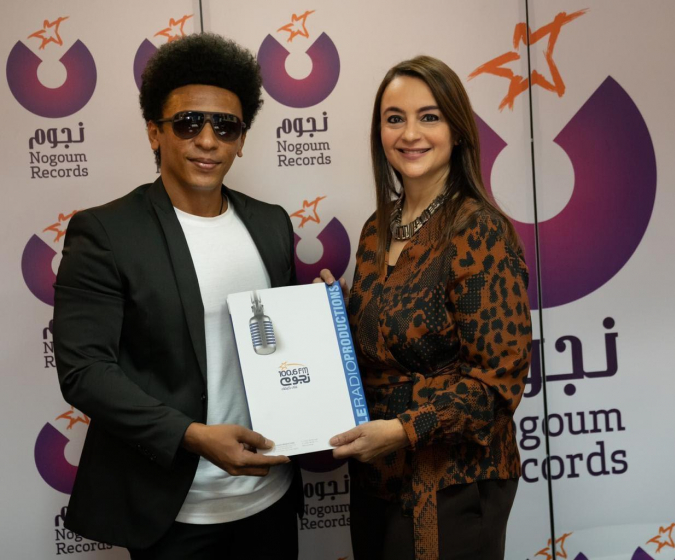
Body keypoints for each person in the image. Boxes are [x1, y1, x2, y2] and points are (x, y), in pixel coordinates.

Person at [54, 34, 300, 560]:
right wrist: (191, 435)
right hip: (174, 514)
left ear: (242, 139)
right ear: (154, 131)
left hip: (270, 498)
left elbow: (279, 346)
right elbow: (84, 370)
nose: (207, 140)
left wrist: (319, 314)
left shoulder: (271, 224)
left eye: (226, 126)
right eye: (188, 123)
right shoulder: (106, 232)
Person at [318, 56, 532, 560]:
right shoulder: (377, 229)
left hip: (455, 481)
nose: (410, 134)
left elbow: (497, 384)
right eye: (395, 118)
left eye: (429, 117)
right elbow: (387, 348)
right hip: (376, 478)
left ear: (457, 131)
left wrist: (403, 431)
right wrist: (335, 317)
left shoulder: (479, 230)